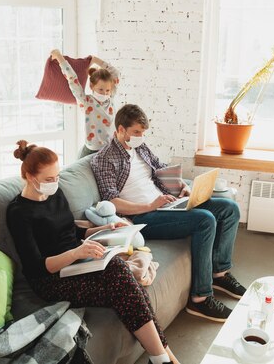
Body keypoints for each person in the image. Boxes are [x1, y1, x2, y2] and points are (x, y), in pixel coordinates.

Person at [6, 140, 179, 364]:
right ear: (30, 176)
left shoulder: (55, 195)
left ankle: (162, 358)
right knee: (123, 279)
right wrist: (76, 253)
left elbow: (70, 232)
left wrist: (104, 229)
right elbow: (36, 267)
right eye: (49, 179)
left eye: (57, 177)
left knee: (122, 278)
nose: (55, 183)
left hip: (78, 262)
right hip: (51, 279)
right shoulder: (18, 212)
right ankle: (165, 358)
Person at [90, 104, 246, 322]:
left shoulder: (140, 147)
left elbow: (160, 168)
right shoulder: (105, 158)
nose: (140, 137)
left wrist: (181, 187)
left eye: (143, 133)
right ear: (120, 129)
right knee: (205, 220)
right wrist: (150, 206)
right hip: (143, 217)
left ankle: (218, 274)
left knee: (229, 209)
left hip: (164, 205)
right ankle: (200, 299)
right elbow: (112, 201)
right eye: (136, 132)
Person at [50, 49, 119, 158]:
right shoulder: (86, 102)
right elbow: (72, 79)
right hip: (91, 150)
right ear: (92, 87)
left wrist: (96, 60)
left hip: (110, 149)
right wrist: (59, 57)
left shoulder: (110, 98)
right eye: (100, 89)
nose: (104, 93)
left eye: (107, 90)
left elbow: (115, 73)